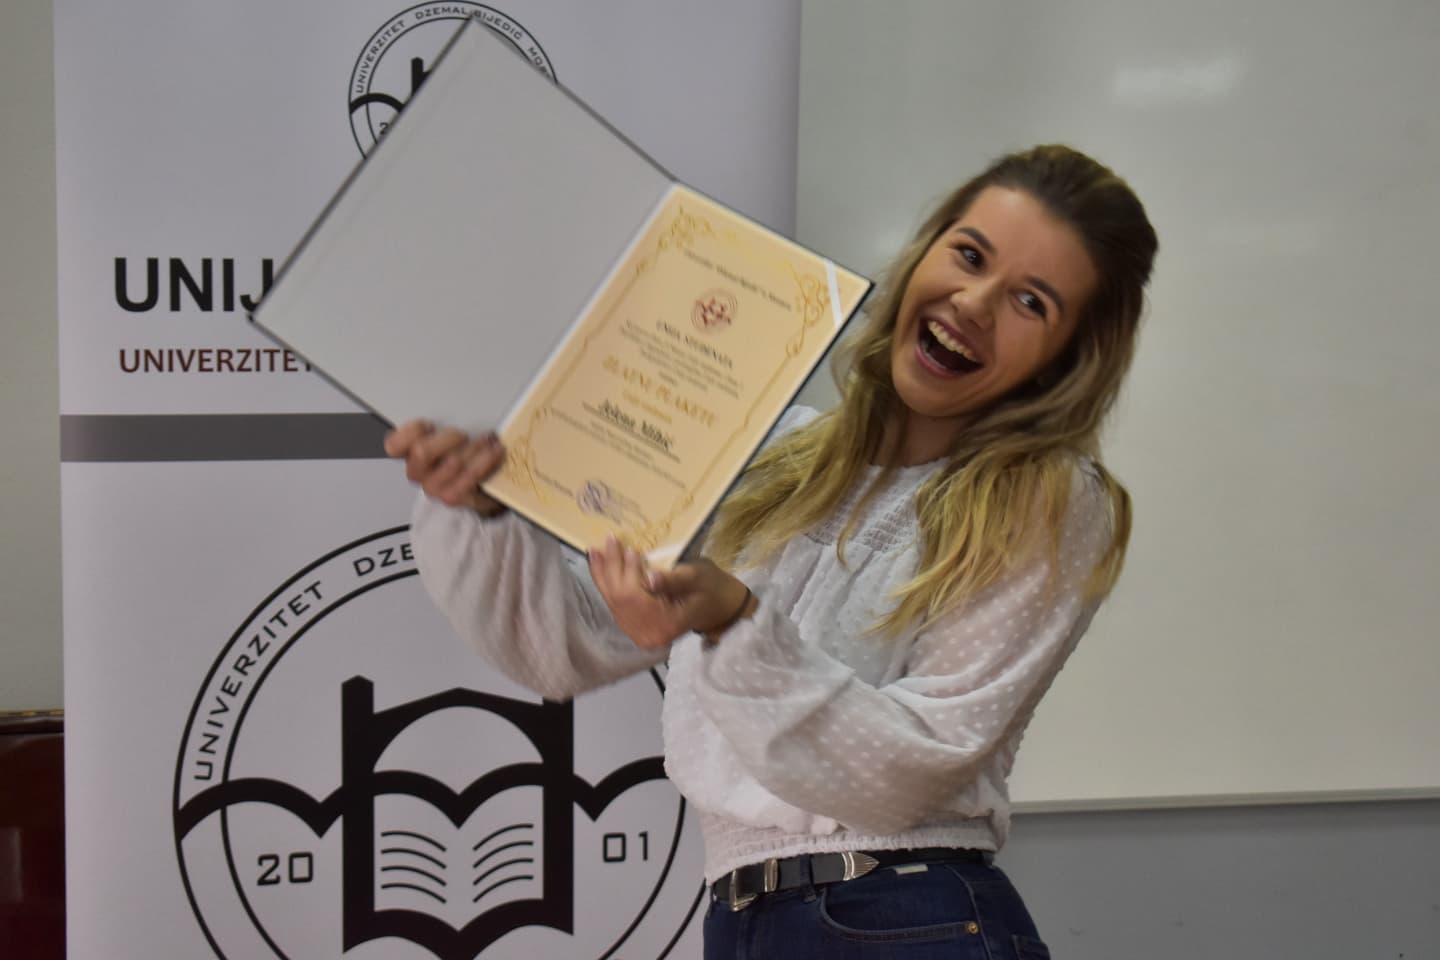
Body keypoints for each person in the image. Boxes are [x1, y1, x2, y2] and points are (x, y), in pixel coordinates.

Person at [385, 144, 1158, 959]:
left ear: (1071, 357)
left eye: (1031, 302)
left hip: (905, 911)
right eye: (969, 255)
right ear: (926, 249)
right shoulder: (773, 453)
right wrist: (481, 513)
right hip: (744, 919)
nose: (973, 302)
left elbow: (911, 768)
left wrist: (736, 624)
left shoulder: (1051, 499)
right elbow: (564, 647)